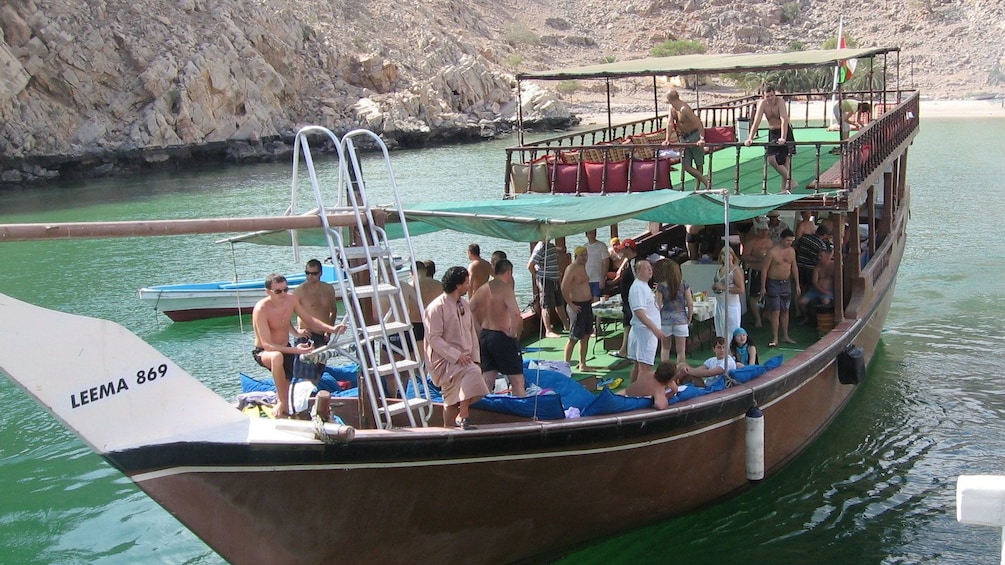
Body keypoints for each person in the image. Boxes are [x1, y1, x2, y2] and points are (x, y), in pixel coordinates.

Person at [253, 273, 347, 418]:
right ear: (268, 292)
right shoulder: (261, 309)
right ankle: (281, 403)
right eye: (278, 291)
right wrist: (295, 350)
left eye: (285, 289)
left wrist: (332, 329)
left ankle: (284, 408)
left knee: (288, 390)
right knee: (277, 357)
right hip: (265, 352)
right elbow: (267, 344)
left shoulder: (291, 300)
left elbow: (308, 319)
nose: (283, 294)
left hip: (286, 349)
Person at [423, 266, 489, 429]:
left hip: (465, 358)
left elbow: (471, 332)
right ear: (457, 285)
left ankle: (450, 426)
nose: (469, 285)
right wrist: (456, 355)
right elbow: (434, 338)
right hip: (444, 359)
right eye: (466, 283)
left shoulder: (464, 304)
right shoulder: (436, 307)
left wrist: (475, 358)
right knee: (471, 373)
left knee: (453, 400)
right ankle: (463, 415)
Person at [469, 259, 527, 397]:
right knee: (517, 380)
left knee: (488, 378)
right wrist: (513, 332)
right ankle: (522, 411)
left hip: (485, 335)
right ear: (508, 272)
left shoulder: (483, 288)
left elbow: (468, 308)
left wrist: (478, 328)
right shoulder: (505, 289)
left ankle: (485, 409)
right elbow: (516, 313)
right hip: (502, 336)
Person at [743, 85, 798, 194]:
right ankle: (791, 180)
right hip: (773, 132)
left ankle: (784, 189)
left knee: (785, 161)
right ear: (764, 96)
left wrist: (783, 137)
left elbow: (784, 120)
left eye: (772, 95)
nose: (770, 98)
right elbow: (756, 121)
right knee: (771, 159)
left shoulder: (780, 102)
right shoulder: (763, 104)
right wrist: (750, 138)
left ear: (775, 94)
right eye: (768, 96)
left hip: (785, 131)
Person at [627, 259, 666, 386]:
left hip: (642, 331)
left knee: (639, 365)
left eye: (650, 267)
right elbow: (639, 312)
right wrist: (655, 329)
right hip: (645, 332)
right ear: (638, 271)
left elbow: (654, 307)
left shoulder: (644, 286)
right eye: (646, 268)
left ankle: (633, 392)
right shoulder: (638, 288)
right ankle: (640, 393)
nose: (650, 270)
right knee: (645, 367)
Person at [761, 229, 800, 348]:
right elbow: (764, 269)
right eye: (788, 240)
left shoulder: (792, 251)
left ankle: (785, 335)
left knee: (785, 310)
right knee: (776, 311)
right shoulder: (772, 252)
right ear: (782, 239)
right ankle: (775, 337)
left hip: (786, 283)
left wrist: (797, 284)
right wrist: (763, 287)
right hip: (774, 283)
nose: (789, 243)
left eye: (791, 241)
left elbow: (794, 267)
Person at [664, 89, 710, 190]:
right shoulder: (672, 108)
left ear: (669, 99)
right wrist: (667, 139)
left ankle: (698, 187)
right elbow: (670, 123)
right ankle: (706, 182)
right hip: (684, 138)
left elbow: (698, 122)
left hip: (694, 135)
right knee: (685, 165)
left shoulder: (684, 108)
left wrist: (702, 138)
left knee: (698, 162)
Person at [561, 246, 596, 372]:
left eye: (586, 255)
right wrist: (571, 305)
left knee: (586, 335)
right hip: (577, 306)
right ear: (576, 256)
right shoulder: (571, 268)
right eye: (582, 255)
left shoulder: (583, 267)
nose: (584, 257)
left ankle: (583, 364)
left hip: (587, 305)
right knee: (573, 338)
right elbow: (563, 288)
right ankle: (565, 366)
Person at [292, 259, 340, 347]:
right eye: (307, 273)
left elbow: (333, 311)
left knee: (320, 360)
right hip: (306, 336)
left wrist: (328, 332)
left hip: (322, 336)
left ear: (320, 273)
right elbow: (285, 314)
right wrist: (296, 332)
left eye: (314, 274)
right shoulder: (299, 291)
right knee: (306, 360)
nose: (310, 276)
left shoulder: (328, 289)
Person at [528, 239, 570, 338]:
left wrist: (560, 249)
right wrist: (538, 277)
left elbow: (555, 250)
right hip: (545, 279)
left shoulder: (550, 245)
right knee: (546, 305)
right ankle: (548, 330)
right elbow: (530, 265)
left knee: (559, 303)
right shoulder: (540, 247)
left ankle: (566, 325)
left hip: (555, 279)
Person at [655, 259, 693, 366]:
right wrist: (689, 317)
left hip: (665, 320)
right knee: (681, 351)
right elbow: (690, 303)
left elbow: (658, 305)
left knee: (665, 348)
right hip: (681, 319)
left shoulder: (661, 286)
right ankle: (680, 372)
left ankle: (665, 372)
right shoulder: (684, 284)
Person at [741, 217, 772, 328]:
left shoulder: (770, 242)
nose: (764, 232)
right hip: (755, 271)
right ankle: (757, 318)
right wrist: (757, 259)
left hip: (769, 272)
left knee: (770, 294)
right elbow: (744, 256)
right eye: (761, 230)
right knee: (754, 295)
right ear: (757, 231)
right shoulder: (751, 242)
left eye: (765, 230)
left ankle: (767, 313)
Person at [610, 238, 638, 358]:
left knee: (630, 324)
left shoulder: (635, 263)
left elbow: (638, 281)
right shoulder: (631, 261)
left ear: (628, 249)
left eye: (623, 249)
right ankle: (624, 349)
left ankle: (627, 350)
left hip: (632, 301)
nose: (621, 251)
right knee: (627, 324)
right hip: (628, 299)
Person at [623, 361, 688, 410]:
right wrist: (667, 398)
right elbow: (660, 406)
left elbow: (674, 387)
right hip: (625, 400)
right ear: (669, 380)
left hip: (624, 393)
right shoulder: (658, 389)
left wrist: (673, 388)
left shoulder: (652, 374)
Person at [712, 246, 744, 340]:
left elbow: (741, 289)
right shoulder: (719, 269)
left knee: (731, 331)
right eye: (723, 254)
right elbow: (716, 283)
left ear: (732, 256)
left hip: (731, 305)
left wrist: (724, 288)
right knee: (720, 330)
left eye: (728, 254)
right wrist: (715, 286)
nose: (726, 257)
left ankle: (731, 353)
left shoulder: (736, 270)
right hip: (719, 304)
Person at [798, 244, 836, 322]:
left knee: (825, 302)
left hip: (829, 290)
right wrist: (822, 290)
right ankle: (806, 317)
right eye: (818, 256)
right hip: (816, 290)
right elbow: (815, 282)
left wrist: (827, 292)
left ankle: (826, 321)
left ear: (827, 256)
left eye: (821, 256)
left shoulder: (834, 265)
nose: (818, 258)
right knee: (802, 302)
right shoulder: (817, 268)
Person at [584, 229, 610, 300]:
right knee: (588, 299)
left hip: (598, 278)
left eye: (593, 233)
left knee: (596, 299)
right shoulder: (585, 247)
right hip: (587, 278)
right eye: (590, 233)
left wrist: (603, 278)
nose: (592, 235)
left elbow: (606, 262)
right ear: (586, 235)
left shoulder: (602, 246)